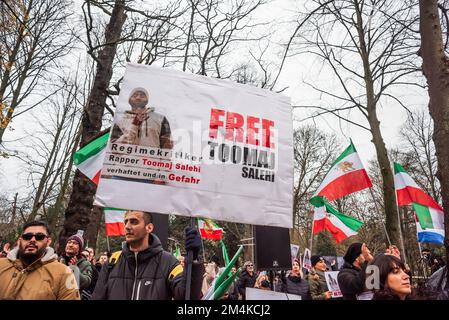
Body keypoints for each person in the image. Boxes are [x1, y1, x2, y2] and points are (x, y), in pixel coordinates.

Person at [92, 210, 204, 300]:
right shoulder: (113, 261)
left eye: (134, 222)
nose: (127, 226)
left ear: (149, 227)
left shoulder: (169, 262)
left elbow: (186, 296)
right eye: (125, 222)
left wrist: (193, 260)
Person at [0, 220, 80, 300]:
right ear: (19, 240)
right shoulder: (1, 264)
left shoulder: (63, 273)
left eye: (39, 237)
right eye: (27, 236)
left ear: (48, 241)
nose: (32, 240)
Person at [59, 233, 94, 298]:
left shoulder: (85, 264)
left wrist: (74, 269)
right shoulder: (57, 260)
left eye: (75, 243)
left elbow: (86, 283)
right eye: (69, 242)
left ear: (80, 248)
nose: (71, 245)